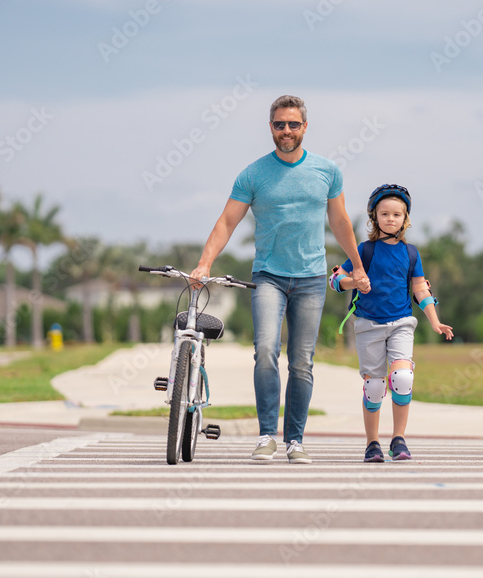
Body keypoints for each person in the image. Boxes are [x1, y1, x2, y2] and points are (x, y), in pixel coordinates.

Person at [190, 94, 369, 464]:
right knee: (266, 352)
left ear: (305, 127)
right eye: (278, 125)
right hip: (268, 277)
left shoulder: (327, 171)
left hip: (311, 278)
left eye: (292, 124)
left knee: (302, 360)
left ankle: (296, 440)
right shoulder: (253, 174)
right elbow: (227, 222)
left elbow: (339, 222)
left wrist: (357, 265)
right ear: (270, 127)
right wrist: (204, 263)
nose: (285, 131)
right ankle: (267, 435)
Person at [330, 184, 454, 462]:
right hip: (367, 325)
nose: (390, 219)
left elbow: (421, 289)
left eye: (397, 215)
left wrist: (435, 321)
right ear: (375, 217)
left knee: (402, 378)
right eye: (384, 213)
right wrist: (353, 282)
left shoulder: (410, 253)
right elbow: (335, 280)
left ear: (405, 219)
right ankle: (372, 443)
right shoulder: (364, 250)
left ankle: (398, 439)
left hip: (401, 323)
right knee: (374, 388)